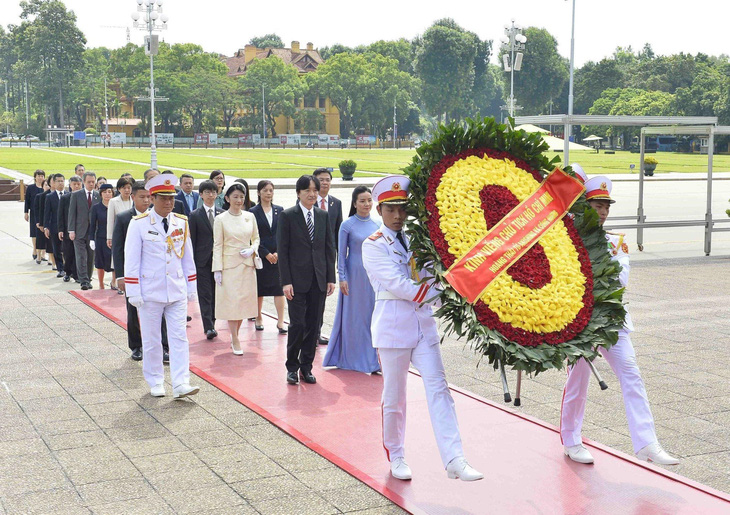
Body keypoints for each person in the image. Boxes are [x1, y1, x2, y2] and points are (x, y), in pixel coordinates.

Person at [362, 175, 483, 482]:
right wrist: (448, 292)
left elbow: (432, 276)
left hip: (423, 325)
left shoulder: (418, 242)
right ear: (379, 209)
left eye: (403, 208)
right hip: (392, 326)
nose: (399, 215)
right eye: (391, 209)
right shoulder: (373, 245)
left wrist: (459, 302)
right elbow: (401, 285)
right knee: (394, 397)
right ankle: (397, 454)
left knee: (440, 389)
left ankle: (455, 458)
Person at [560, 175, 679, 466]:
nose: (602, 211)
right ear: (584, 208)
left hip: (612, 321)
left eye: (606, 207)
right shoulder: (565, 242)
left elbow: (619, 280)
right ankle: (571, 439)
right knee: (578, 380)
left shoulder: (616, 243)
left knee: (631, 375)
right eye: (597, 206)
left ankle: (647, 443)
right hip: (581, 323)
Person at [124, 174, 198, 398]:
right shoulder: (139, 224)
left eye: (171, 199)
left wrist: (191, 286)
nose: (169, 203)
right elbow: (132, 260)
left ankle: (180, 382)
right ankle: (156, 381)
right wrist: (133, 291)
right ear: (152, 199)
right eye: (164, 199)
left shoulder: (181, 222)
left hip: (176, 290)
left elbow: (187, 258)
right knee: (152, 339)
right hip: (150, 291)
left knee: (179, 338)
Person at [277, 174, 336, 385]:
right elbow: (282, 251)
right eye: (307, 190)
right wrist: (286, 281)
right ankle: (291, 367)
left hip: (318, 280)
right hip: (296, 281)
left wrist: (331, 277)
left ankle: (306, 367)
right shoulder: (288, 216)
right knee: (297, 325)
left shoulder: (322, 215)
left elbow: (328, 248)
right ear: (298, 193)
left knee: (313, 326)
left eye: (314, 190)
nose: (312, 194)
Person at [323, 186, 380, 373]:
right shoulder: (347, 225)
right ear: (354, 203)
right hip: (353, 277)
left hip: (372, 278)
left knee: (371, 317)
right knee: (354, 319)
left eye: (369, 200)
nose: (366, 204)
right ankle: (350, 357)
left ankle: (372, 360)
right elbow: (341, 254)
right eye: (362, 201)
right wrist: (342, 278)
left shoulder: (377, 225)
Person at [112, 181, 170, 362]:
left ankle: (164, 346)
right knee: (133, 310)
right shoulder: (124, 218)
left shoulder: (160, 217)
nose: (146, 201)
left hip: (155, 274)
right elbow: (119, 249)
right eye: (142, 197)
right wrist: (121, 276)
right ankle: (136, 346)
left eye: (148, 197)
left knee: (160, 310)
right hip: (134, 274)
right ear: (133, 197)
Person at [212, 183, 260, 355]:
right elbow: (217, 245)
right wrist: (217, 269)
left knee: (243, 303)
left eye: (241, 197)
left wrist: (253, 249)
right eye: (235, 197)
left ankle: (236, 334)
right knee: (232, 302)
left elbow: (256, 238)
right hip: (229, 265)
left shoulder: (249, 216)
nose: (239, 200)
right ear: (227, 199)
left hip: (247, 265)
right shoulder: (221, 219)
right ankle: (235, 337)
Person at [249, 180, 286, 333]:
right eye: (265, 190)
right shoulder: (252, 212)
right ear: (259, 193)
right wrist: (266, 253)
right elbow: (253, 236)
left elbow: (282, 233)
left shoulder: (280, 210)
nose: (268, 193)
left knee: (279, 289)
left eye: (271, 190)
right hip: (261, 255)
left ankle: (281, 321)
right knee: (260, 289)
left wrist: (278, 252)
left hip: (278, 256)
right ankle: (258, 317)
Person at [189, 180, 223, 340]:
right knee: (205, 293)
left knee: (217, 293)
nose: (211, 195)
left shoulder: (223, 214)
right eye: (207, 192)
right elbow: (192, 241)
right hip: (202, 261)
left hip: (219, 260)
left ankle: (213, 321)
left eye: (213, 192)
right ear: (201, 195)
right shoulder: (195, 215)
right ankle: (208, 326)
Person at [313, 167, 343, 346]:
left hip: (327, 258)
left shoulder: (336, 203)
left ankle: (317, 332)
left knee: (321, 298)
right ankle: (309, 332)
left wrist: (339, 261)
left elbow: (338, 232)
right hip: (310, 257)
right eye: (321, 180)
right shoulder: (307, 200)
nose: (325, 183)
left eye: (327, 180)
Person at [68, 171, 100, 290]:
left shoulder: (98, 195)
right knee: (81, 256)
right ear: (84, 182)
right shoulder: (76, 195)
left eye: (93, 182)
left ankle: (89, 277)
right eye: (89, 182)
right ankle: (83, 281)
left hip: (93, 232)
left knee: (90, 257)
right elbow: (72, 213)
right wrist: (71, 230)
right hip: (79, 231)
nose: (91, 184)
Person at [107, 177, 134, 292]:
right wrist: (109, 237)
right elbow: (110, 220)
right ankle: (117, 281)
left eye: (129, 188)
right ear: (119, 189)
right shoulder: (113, 201)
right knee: (118, 257)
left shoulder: (134, 200)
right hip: (119, 234)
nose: (127, 190)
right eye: (124, 188)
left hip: (132, 234)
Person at [89, 184, 114, 288]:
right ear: (100, 194)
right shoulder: (96, 208)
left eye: (109, 192)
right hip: (100, 238)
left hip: (114, 238)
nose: (107, 194)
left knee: (114, 261)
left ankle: (114, 282)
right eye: (104, 192)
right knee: (100, 262)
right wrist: (91, 239)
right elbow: (93, 225)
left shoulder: (115, 206)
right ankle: (101, 284)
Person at [58, 176, 82, 282]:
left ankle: (77, 275)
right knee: (68, 253)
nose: (76, 186)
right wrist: (60, 230)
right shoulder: (65, 198)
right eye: (74, 184)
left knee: (79, 254)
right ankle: (67, 272)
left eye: (78, 184)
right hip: (68, 230)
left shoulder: (83, 197)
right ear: (70, 185)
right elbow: (61, 215)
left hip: (81, 230)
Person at [44, 173, 66, 278]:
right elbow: (47, 213)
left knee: (67, 249)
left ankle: (69, 269)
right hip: (54, 227)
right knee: (57, 249)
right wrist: (46, 227)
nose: (60, 183)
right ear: (54, 183)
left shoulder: (69, 195)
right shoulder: (50, 197)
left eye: (62, 181)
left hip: (67, 227)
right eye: (58, 181)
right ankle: (60, 269)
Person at [24, 169, 45, 261]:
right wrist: (26, 212)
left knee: (44, 233)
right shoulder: (31, 188)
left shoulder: (45, 187)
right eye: (39, 176)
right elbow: (27, 201)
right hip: (34, 212)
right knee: (34, 232)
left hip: (44, 212)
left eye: (42, 176)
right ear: (35, 177)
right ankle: (35, 249)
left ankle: (43, 253)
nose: (40, 178)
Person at [33, 176, 52, 266]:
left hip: (49, 220)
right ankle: (39, 255)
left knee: (49, 241)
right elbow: (37, 210)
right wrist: (39, 222)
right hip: (41, 221)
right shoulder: (40, 196)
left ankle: (49, 258)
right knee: (40, 239)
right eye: (45, 185)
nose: (47, 187)